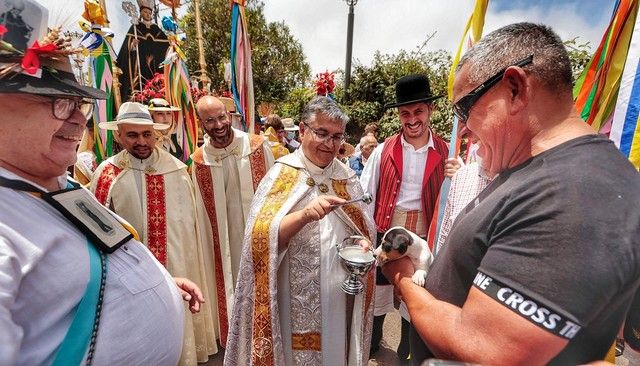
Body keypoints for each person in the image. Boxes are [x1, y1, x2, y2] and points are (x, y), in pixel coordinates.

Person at [381, 22, 640, 365]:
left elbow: (485, 349)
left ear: (515, 88)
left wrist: (403, 280)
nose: (466, 129)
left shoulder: (573, 194)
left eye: (464, 108)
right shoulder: (541, 173)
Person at [0, 6, 203, 364]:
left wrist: (158, 283)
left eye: (81, 105)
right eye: (60, 103)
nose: (80, 120)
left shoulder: (55, 182)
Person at [225, 96, 376, 366]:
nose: (329, 144)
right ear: (303, 130)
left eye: (337, 137)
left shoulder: (346, 177)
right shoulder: (281, 175)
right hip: (290, 300)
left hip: (339, 300)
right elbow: (259, 240)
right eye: (322, 133)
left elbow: (363, 230)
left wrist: (363, 244)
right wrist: (305, 215)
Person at [90, 102, 216, 364]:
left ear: (155, 133)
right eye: (132, 135)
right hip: (129, 271)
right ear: (119, 135)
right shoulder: (107, 172)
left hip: (177, 261)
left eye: (147, 134)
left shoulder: (177, 170)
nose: (141, 142)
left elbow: (188, 228)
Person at [360, 74, 451, 361]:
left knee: (414, 293)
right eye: (405, 113)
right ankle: (373, 345)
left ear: (430, 110)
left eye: (418, 112)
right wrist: (366, 235)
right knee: (379, 294)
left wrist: (458, 174)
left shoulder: (446, 152)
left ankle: (405, 349)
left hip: (423, 236)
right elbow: (366, 192)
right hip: (387, 232)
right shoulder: (382, 150)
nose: (412, 120)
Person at [191, 95, 275, 347]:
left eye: (221, 117)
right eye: (210, 121)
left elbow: (275, 191)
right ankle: (235, 337)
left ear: (229, 116)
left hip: (260, 234)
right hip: (223, 242)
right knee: (229, 282)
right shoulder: (199, 161)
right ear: (200, 124)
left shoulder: (257, 146)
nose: (217, 125)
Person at [116, 0, 169, 102]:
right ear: (140, 13)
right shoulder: (135, 28)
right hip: (139, 66)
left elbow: (165, 46)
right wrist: (133, 46)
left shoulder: (156, 29)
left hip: (154, 69)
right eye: (145, 12)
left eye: (149, 13)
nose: (148, 15)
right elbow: (127, 49)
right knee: (139, 86)